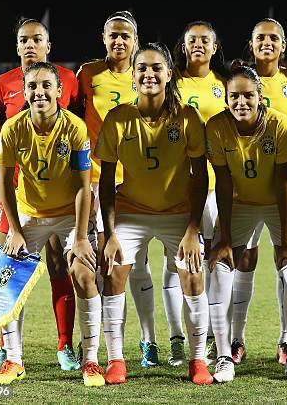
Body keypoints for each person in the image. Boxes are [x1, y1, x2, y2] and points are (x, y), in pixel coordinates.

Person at [95, 43, 213, 385]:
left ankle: (197, 361)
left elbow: (200, 178)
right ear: (133, 77)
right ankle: (116, 360)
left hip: (178, 214)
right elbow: (105, 182)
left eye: (156, 68)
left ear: (168, 74)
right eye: (142, 68)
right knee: (114, 275)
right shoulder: (118, 119)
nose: (149, 74)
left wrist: (193, 230)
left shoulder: (187, 118)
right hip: (131, 213)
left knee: (192, 277)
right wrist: (111, 231)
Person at [0, 62, 95, 385]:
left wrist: (79, 236)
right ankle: (13, 360)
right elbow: (4, 184)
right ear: (25, 91)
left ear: (59, 91)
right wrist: (16, 232)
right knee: (7, 279)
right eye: (33, 86)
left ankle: (90, 361)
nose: (39, 92)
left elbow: (83, 185)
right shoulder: (12, 130)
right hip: (29, 213)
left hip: (68, 214)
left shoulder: (75, 129)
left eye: (46, 86)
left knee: (84, 273)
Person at [206, 66, 287, 383]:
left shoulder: (278, 123)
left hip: (279, 203)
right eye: (234, 96)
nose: (241, 102)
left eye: (248, 95)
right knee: (220, 267)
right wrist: (222, 235)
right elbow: (222, 181)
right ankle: (223, 355)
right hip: (240, 203)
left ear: (259, 97)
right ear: (226, 99)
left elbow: (282, 181)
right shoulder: (217, 126)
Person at [76, 11, 160, 368]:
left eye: (126, 35)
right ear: (104, 37)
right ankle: (100, 345)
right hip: (97, 181)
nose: (119, 41)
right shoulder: (88, 75)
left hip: (136, 182)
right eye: (114, 35)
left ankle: (148, 340)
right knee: (103, 268)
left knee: (136, 264)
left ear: (136, 40)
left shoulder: (146, 74)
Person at [236, 18, 287, 365]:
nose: (267, 43)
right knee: (242, 261)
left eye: (274, 38)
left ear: (284, 45)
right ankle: (235, 340)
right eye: (260, 38)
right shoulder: (235, 81)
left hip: (286, 184)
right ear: (250, 44)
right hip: (243, 189)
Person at [172, 20, 228, 365]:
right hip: (181, 184)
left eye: (205, 40)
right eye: (192, 39)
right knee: (181, 263)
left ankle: (217, 338)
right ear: (184, 45)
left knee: (218, 261)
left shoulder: (224, 83)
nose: (198, 45)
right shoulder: (171, 81)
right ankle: (182, 337)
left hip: (217, 184)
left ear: (215, 45)